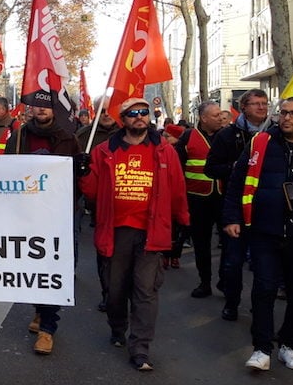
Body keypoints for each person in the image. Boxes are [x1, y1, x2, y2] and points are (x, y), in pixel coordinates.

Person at [223, 97, 293, 371]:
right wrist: (232, 217)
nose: (287, 118)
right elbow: (238, 181)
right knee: (263, 288)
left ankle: (289, 345)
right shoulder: (261, 142)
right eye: (283, 113)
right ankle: (261, 348)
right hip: (264, 229)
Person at [79, 97, 190, 371]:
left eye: (144, 112)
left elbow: (177, 188)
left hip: (152, 232)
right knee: (115, 291)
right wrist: (83, 172)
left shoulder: (164, 151)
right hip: (115, 232)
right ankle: (118, 326)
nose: (139, 117)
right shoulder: (104, 151)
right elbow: (91, 193)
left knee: (145, 291)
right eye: (132, 114)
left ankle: (140, 347)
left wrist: (183, 221)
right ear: (123, 119)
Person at [4, 103, 79, 356]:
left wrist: (82, 169)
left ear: (54, 110)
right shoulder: (19, 137)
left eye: (46, 106)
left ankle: (48, 327)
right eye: (37, 106)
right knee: (33, 267)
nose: (41, 110)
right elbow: (3, 171)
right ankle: (39, 307)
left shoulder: (68, 138)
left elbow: (79, 179)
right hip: (27, 213)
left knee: (52, 268)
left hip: (57, 214)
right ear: (30, 110)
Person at [204, 89, 273, 321]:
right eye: (256, 104)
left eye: (265, 103)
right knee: (233, 262)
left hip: (265, 209)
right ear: (243, 107)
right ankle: (232, 302)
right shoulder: (227, 136)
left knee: (264, 266)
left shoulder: (275, 134)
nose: (262, 108)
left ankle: (260, 307)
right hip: (234, 206)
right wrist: (236, 167)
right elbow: (210, 168)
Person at [171, 101, 224, 298]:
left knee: (228, 243)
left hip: (222, 197)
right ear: (203, 118)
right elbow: (178, 167)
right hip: (197, 199)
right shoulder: (187, 137)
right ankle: (205, 282)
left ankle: (225, 279)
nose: (220, 118)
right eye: (216, 115)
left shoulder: (227, 135)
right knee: (202, 243)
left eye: (220, 114)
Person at [76, 102, 121, 312]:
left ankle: (122, 293)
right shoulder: (85, 135)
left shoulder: (126, 134)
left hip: (123, 202)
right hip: (96, 202)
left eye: (110, 110)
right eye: (102, 110)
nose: (106, 114)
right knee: (104, 252)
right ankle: (108, 294)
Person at [159, 123, 188, 269]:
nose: (164, 138)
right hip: (166, 194)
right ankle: (166, 255)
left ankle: (175, 255)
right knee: (168, 229)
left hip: (179, 194)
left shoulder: (179, 151)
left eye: (167, 136)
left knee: (179, 230)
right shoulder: (164, 150)